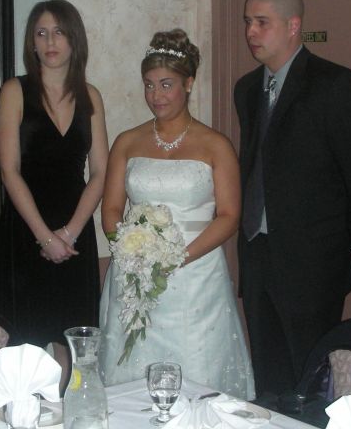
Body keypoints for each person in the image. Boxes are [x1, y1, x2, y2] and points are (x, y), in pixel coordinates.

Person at [235, 0, 351, 397]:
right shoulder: (247, 88)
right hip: (258, 256)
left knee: (312, 381)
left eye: (262, 22)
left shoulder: (334, 84)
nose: (251, 32)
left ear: (293, 25)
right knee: (269, 381)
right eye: (247, 22)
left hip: (313, 266)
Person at [99, 28, 255, 400]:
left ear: (188, 83)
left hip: (196, 274)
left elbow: (229, 216)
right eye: (149, 85)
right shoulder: (127, 142)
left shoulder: (215, 145)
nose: (156, 96)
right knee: (131, 369)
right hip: (134, 271)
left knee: (196, 368)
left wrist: (176, 258)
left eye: (166, 85)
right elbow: (112, 210)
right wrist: (132, 252)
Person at [0, 0, 108, 354]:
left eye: (58, 32)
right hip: (26, 229)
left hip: (76, 229)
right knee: (27, 341)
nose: (50, 41)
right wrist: (45, 237)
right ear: (32, 42)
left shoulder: (90, 96)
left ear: (74, 39)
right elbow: (9, 171)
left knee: (76, 343)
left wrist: (69, 232)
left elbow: (100, 172)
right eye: (41, 33)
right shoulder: (14, 91)